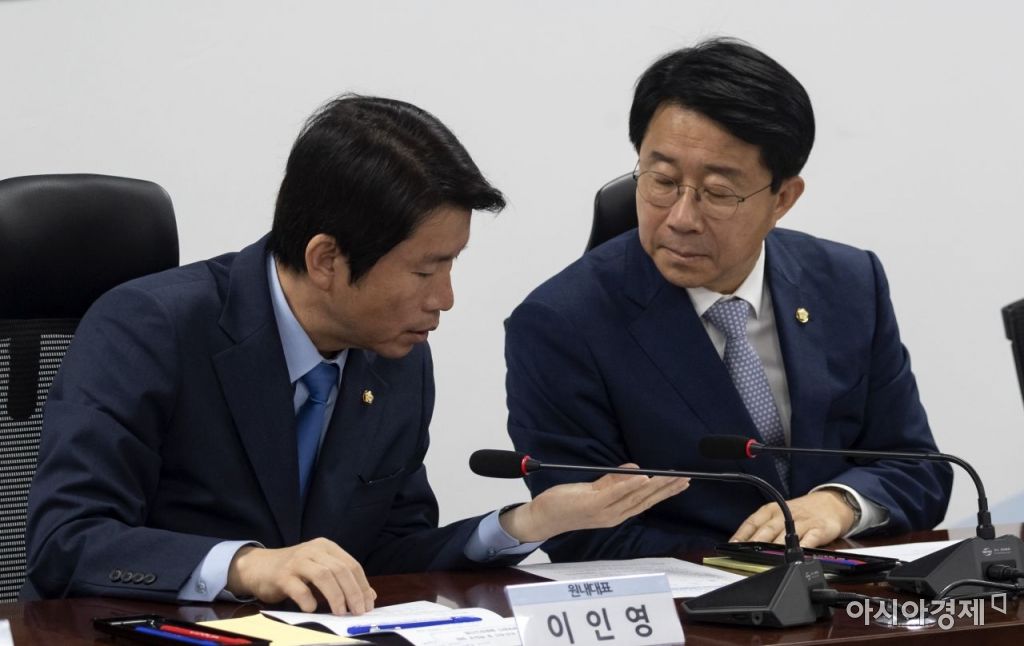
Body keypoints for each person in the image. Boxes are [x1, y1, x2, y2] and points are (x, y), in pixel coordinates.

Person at [22, 95, 689, 612]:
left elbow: (390, 552)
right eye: (425, 270)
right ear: (326, 260)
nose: (445, 299)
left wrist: (524, 522)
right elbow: (67, 541)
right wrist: (248, 565)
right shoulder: (149, 329)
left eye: (452, 265)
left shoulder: (396, 357)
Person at [504, 38, 953, 562]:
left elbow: (919, 469)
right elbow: (583, 535)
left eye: (718, 192)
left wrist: (841, 504)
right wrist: (758, 559)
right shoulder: (562, 324)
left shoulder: (848, 282)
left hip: (851, 590)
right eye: (662, 181)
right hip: (691, 601)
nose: (681, 218)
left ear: (782, 198)